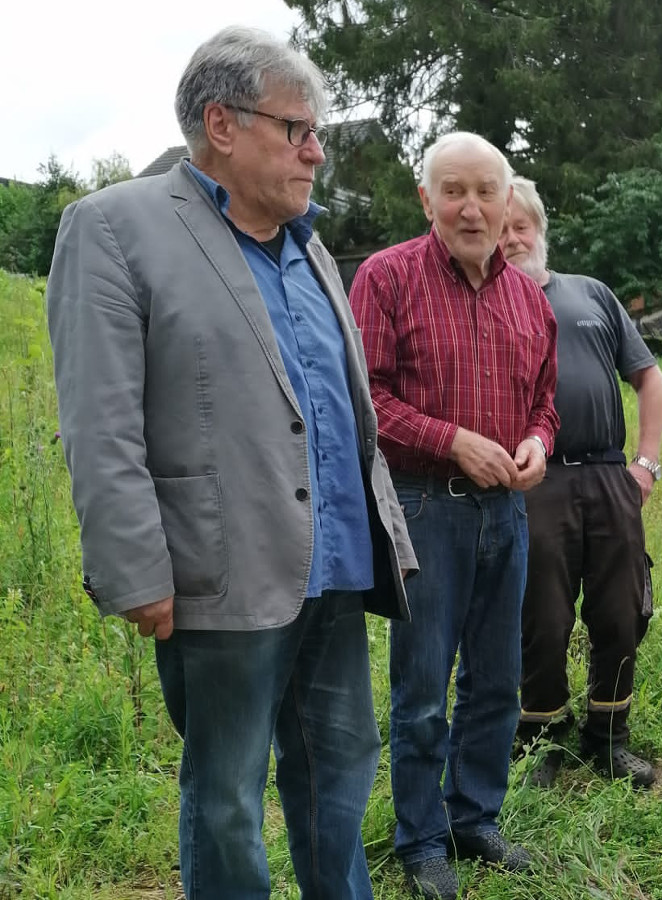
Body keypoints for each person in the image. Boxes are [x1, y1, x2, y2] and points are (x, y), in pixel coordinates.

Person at [44, 27, 417, 900]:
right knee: (226, 795)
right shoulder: (113, 227)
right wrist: (135, 569)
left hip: (335, 571)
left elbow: (342, 418)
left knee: (340, 769)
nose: (317, 151)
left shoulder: (313, 249)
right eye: (298, 129)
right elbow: (100, 425)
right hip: (219, 577)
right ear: (221, 123)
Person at [349, 133, 559, 900]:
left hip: (506, 513)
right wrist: (451, 441)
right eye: (452, 190)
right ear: (426, 199)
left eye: (484, 191)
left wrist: (536, 441)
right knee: (423, 687)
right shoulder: (387, 278)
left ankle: (475, 817)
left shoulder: (529, 299)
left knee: (498, 682)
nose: (470, 207)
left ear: (508, 202)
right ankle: (421, 839)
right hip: (424, 508)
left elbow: (545, 401)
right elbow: (363, 398)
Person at [501, 177, 662, 790]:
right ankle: (540, 735)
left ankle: (608, 737)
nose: (512, 238)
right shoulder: (484, 301)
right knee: (540, 616)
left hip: (608, 475)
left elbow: (650, 378)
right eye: (501, 227)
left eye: (523, 226)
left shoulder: (592, 294)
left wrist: (644, 466)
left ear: (541, 231)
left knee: (622, 610)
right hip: (530, 482)